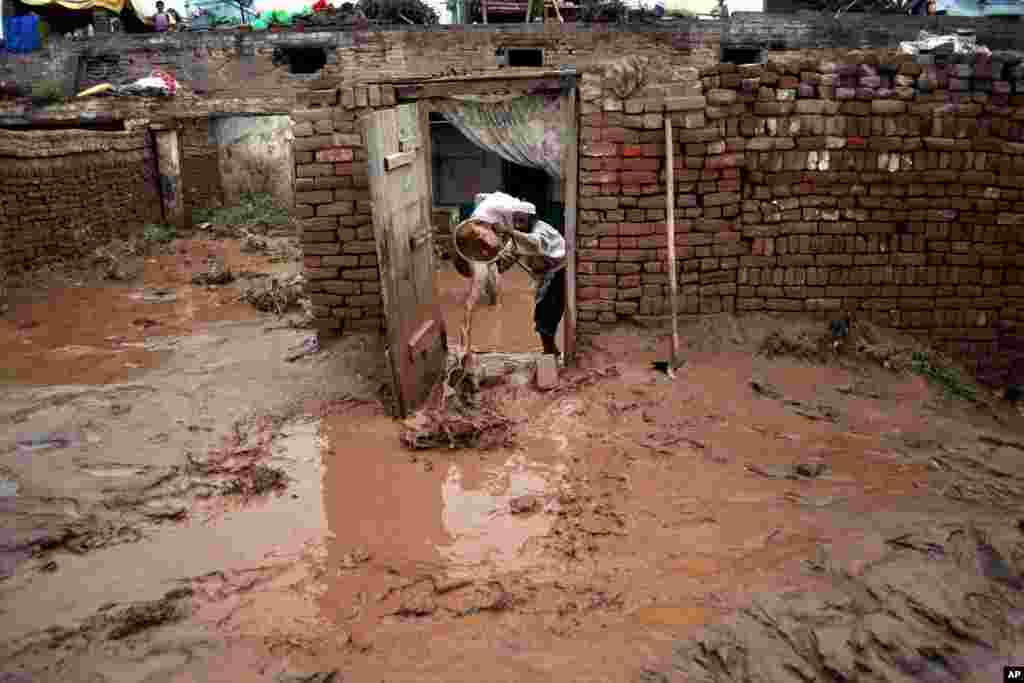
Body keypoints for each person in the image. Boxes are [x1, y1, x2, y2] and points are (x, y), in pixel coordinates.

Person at [471, 192, 566, 359]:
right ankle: (551, 351)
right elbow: (504, 262)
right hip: (543, 277)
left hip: (559, 273)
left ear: (533, 219)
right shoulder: (516, 237)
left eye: (521, 221)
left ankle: (550, 353)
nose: (518, 225)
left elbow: (534, 244)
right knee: (543, 317)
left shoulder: (541, 230)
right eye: (515, 221)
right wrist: (488, 255)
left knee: (546, 316)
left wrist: (509, 231)